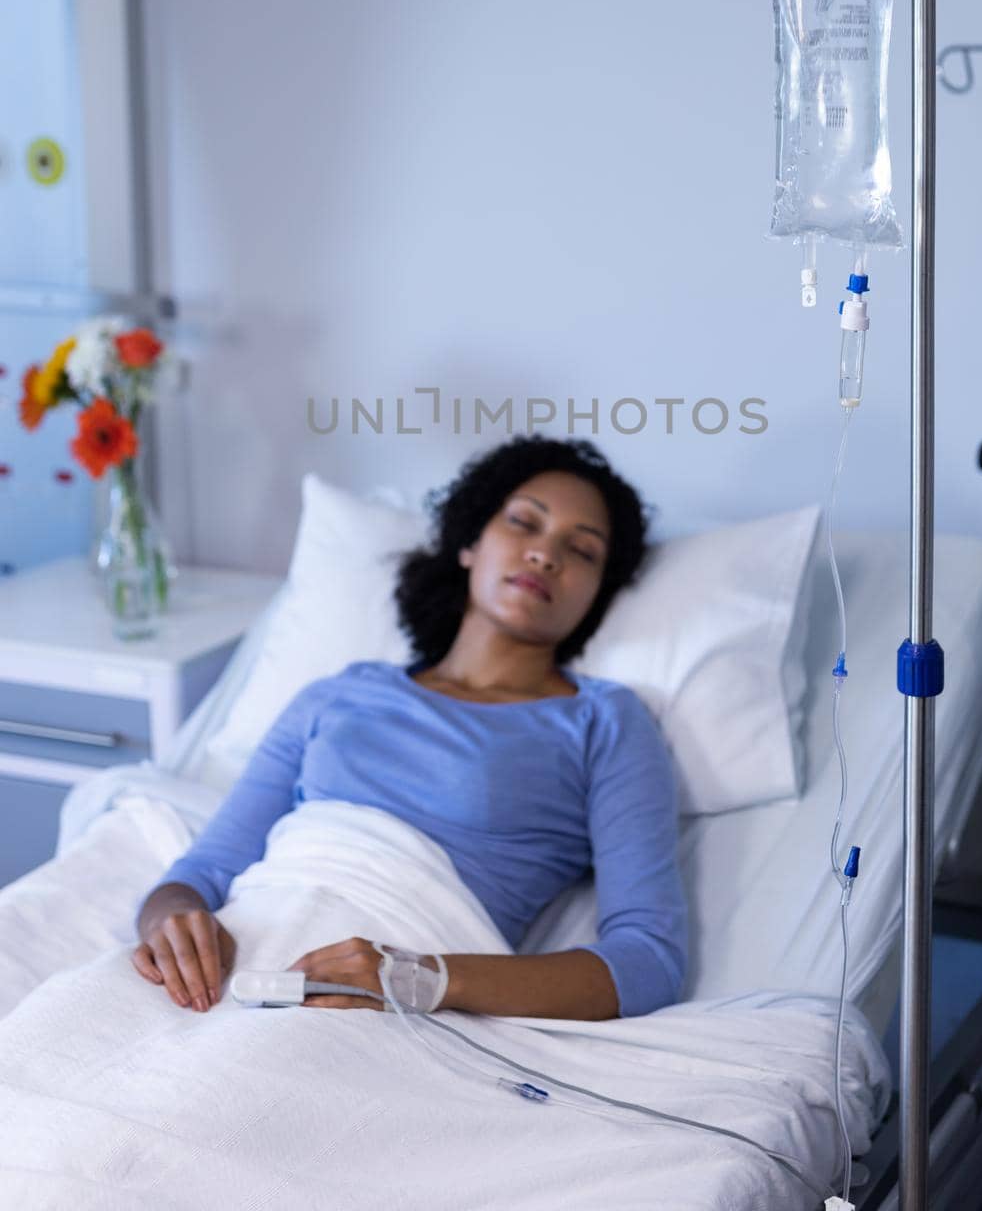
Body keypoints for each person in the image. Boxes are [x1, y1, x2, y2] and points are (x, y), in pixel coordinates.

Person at [131, 435, 688, 1022]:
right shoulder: (338, 694)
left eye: (582, 551)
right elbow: (203, 872)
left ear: (597, 593)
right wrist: (171, 921)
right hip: (237, 962)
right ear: (471, 542)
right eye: (524, 522)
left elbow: (648, 961)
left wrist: (420, 978)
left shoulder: (604, 721)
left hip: (394, 1004)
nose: (545, 555)